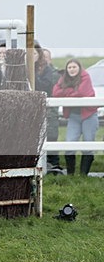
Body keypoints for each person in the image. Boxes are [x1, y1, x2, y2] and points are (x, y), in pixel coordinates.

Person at [52, 59, 99, 176]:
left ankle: (83, 175)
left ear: (79, 68)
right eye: (69, 67)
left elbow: (82, 92)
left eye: (74, 67)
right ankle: (71, 174)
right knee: (69, 144)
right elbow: (55, 92)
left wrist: (66, 92)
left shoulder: (86, 76)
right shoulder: (64, 78)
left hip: (89, 115)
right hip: (74, 116)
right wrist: (72, 91)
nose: (72, 69)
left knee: (88, 145)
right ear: (67, 69)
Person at [32, 42, 61, 173]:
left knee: (50, 135)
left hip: (46, 107)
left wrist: (34, 75)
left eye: (34, 53)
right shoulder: (24, 68)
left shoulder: (47, 70)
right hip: (31, 109)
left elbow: (45, 87)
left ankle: (53, 165)